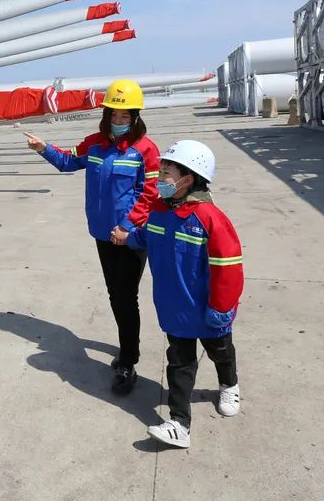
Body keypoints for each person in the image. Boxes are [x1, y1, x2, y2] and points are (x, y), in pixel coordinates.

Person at [24, 79, 160, 395]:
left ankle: (128, 361)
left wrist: (127, 226)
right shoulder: (94, 144)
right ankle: (129, 347)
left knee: (126, 298)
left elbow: (150, 193)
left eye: (125, 116)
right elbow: (69, 161)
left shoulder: (145, 150)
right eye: (114, 115)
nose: (119, 121)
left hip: (129, 238)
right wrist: (44, 148)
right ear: (107, 115)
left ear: (135, 117)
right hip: (102, 234)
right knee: (115, 295)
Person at [112, 139, 244, 449]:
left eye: (166, 173)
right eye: (160, 172)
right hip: (175, 308)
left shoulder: (209, 218)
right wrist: (126, 238)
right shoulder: (159, 210)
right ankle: (180, 424)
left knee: (220, 350)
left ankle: (229, 384)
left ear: (188, 178)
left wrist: (221, 308)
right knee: (179, 363)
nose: (159, 178)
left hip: (207, 309)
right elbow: (147, 235)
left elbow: (228, 268)